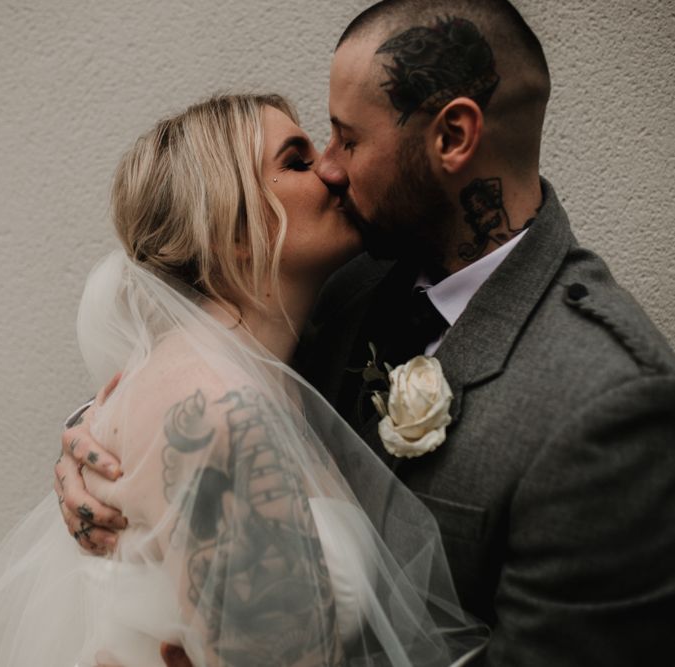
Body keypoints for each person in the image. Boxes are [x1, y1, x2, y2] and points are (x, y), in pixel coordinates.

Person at [58, 1, 675, 665]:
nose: (330, 166)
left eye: (347, 140)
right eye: (310, 149)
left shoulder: (606, 401)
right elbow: (208, 383)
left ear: (451, 137)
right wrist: (100, 453)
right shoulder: (337, 280)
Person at [0, 93, 487, 667]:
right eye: (297, 162)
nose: (333, 171)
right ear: (231, 228)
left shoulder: (259, 370)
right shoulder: (217, 407)